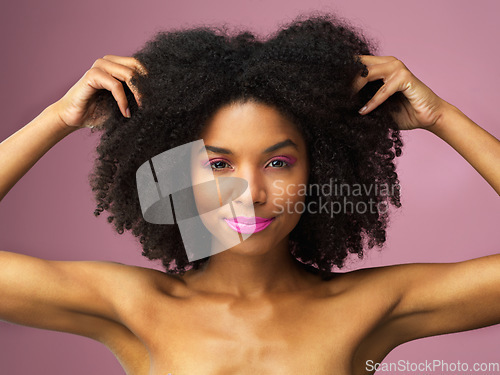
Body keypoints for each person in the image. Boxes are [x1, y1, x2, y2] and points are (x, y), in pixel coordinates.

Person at [0, 13, 499, 375]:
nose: (250, 192)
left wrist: (442, 118)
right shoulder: (135, 307)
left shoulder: (371, 307)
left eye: (278, 162)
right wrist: (56, 120)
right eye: (219, 164)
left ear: (320, 173)